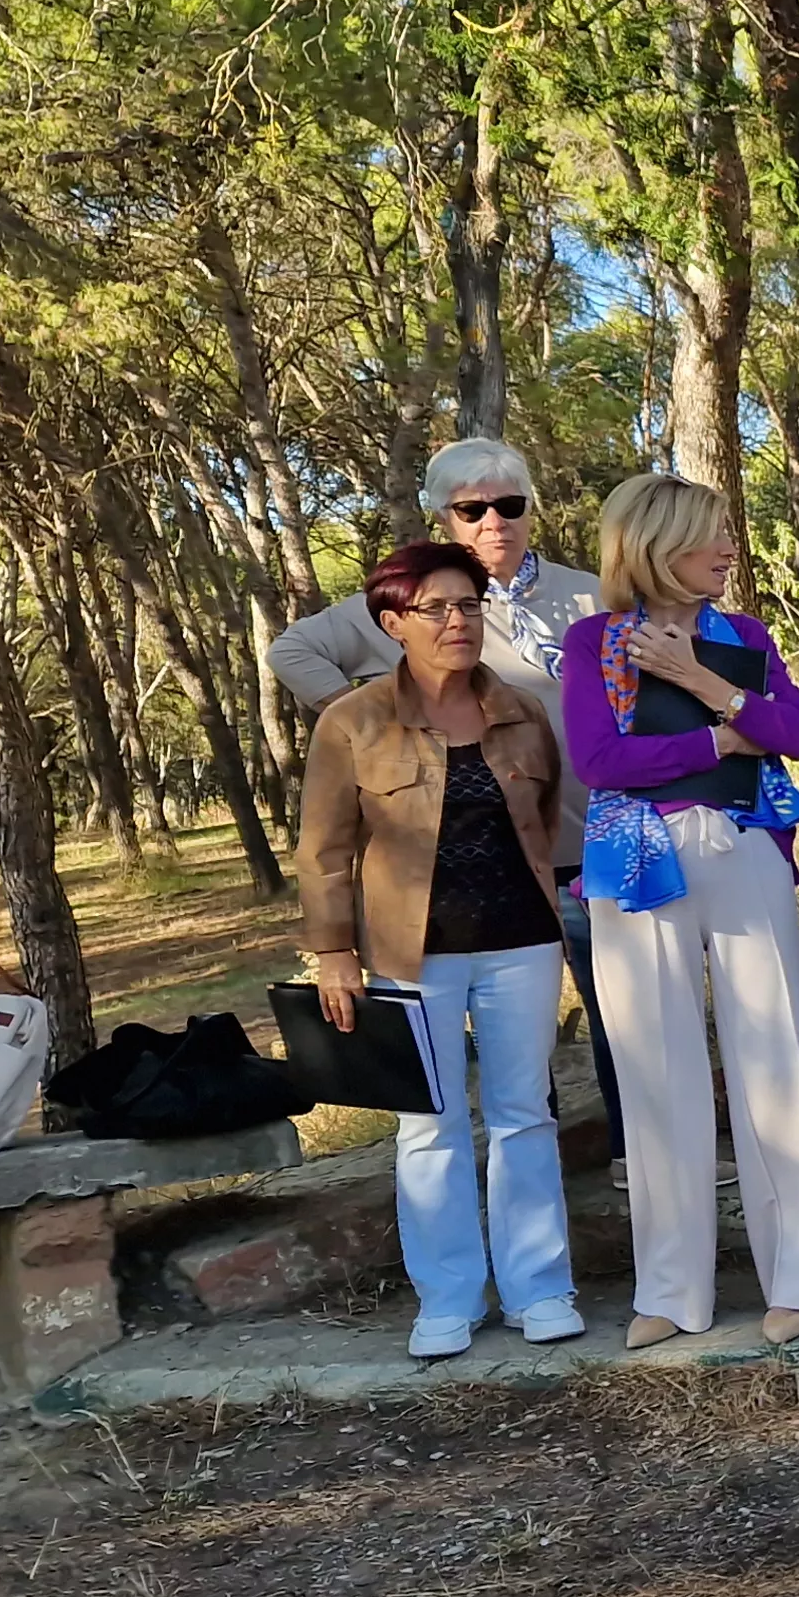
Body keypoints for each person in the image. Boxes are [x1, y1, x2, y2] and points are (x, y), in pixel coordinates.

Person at [270, 440, 623, 1167]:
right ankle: (533, 1174)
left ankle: (635, 1156)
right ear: (443, 516)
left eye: (510, 504)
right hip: (481, 869)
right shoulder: (410, 602)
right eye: (472, 508)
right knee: (501, 1067)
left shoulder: (589, 592)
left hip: (595, 848)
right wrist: (364, 720)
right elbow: (291, 651)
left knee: (622, 1017)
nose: (494, 520)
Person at [564, 474, 799, 1350]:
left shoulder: (744, 636)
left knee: (776, 1055)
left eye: (728, 535)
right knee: (656, 1070)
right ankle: (672, 1289)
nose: (728, 550)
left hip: (743, 846)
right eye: (710, 536)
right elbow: (602, 759)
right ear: (655, 544)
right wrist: (722, 739)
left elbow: (796, 737)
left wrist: (702, 685)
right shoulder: (591, 643)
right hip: (637, 862)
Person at [298, 541, 581, 1358]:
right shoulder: (351, 723)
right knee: (428, 1123)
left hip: (521, 941)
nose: (458, 622)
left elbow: (544, 814)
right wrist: (333, 953)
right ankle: (449, 1296)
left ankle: (540, 1287)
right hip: (407, 953)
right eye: (436, 609)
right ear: (392, 623)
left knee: (525, 1114)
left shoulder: (520, 710)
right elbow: (323, 851)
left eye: (469, 605)